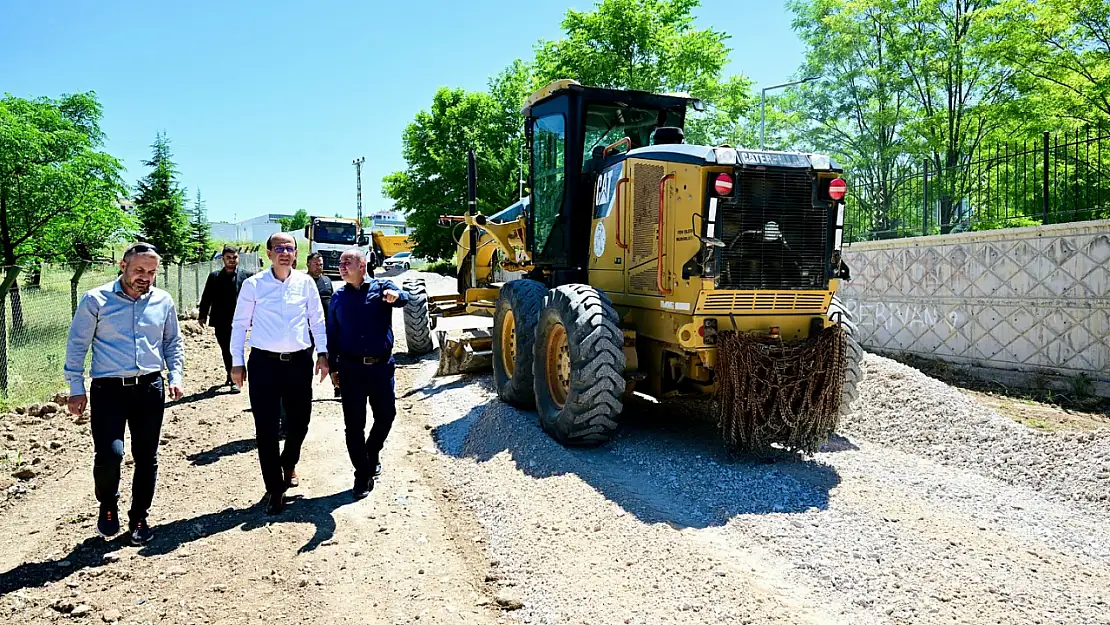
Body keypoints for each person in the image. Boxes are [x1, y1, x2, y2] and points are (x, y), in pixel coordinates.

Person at [64, 242, 185, 544]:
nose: (145, 277)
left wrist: (176, 375)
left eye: (152, 272)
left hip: (149, 388)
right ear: (123, 266)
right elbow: (77, 345)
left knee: (147, 456)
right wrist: (76, 389)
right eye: (139, 270)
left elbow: (172, 342)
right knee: (110, 453)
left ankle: (139, 516)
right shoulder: (96, 300)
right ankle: (108, 505)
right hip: (108, 390)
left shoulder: (163, 301)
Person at [230, 232, 329, 515]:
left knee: (301, 422)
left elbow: (317, 320)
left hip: (299, 362)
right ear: (269, 252)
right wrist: (237, 362)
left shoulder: (305, 283)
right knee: (266, 428)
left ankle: (289, 461)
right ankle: (274, 488)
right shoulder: (253, 285)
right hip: (264, 364)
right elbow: (239, 325)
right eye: (279, 248)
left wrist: (322, 354)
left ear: (296, 253)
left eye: (289, 248)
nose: (284, 252)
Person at [326, 248, 409, 500]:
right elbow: (332, 335)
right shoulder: (338, 297)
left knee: (386, 415)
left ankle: (371, 453)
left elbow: (404, 297)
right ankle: (362, 474)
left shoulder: (382, 287)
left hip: (381, 368)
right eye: (340, 263)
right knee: (354, 425)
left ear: (362, 265)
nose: (342, 266)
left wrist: (397, 295)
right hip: (351, 369)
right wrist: (332, 367)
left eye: (347, 262)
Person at [197, 245, 253, 391]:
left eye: (234, 257)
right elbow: (207, 297)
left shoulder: (247, 276)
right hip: (221, 320)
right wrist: (202, 316)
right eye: (228, 258)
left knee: (237, 348)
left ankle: (239, 376)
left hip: (240, 321)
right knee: (226, 350)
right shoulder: (215, 277)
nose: (232, 260)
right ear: (223, 259)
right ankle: (232, 376)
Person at [306, 252, 340, 398]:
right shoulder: (303, 281)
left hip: (328, 327)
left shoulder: (326, 280)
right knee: (306, 360)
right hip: (308, 328)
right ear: (308, 264)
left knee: (334, 357)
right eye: (315, 264)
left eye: (321, 264)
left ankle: (338, 386)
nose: (319, 267)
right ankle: (305, 389)